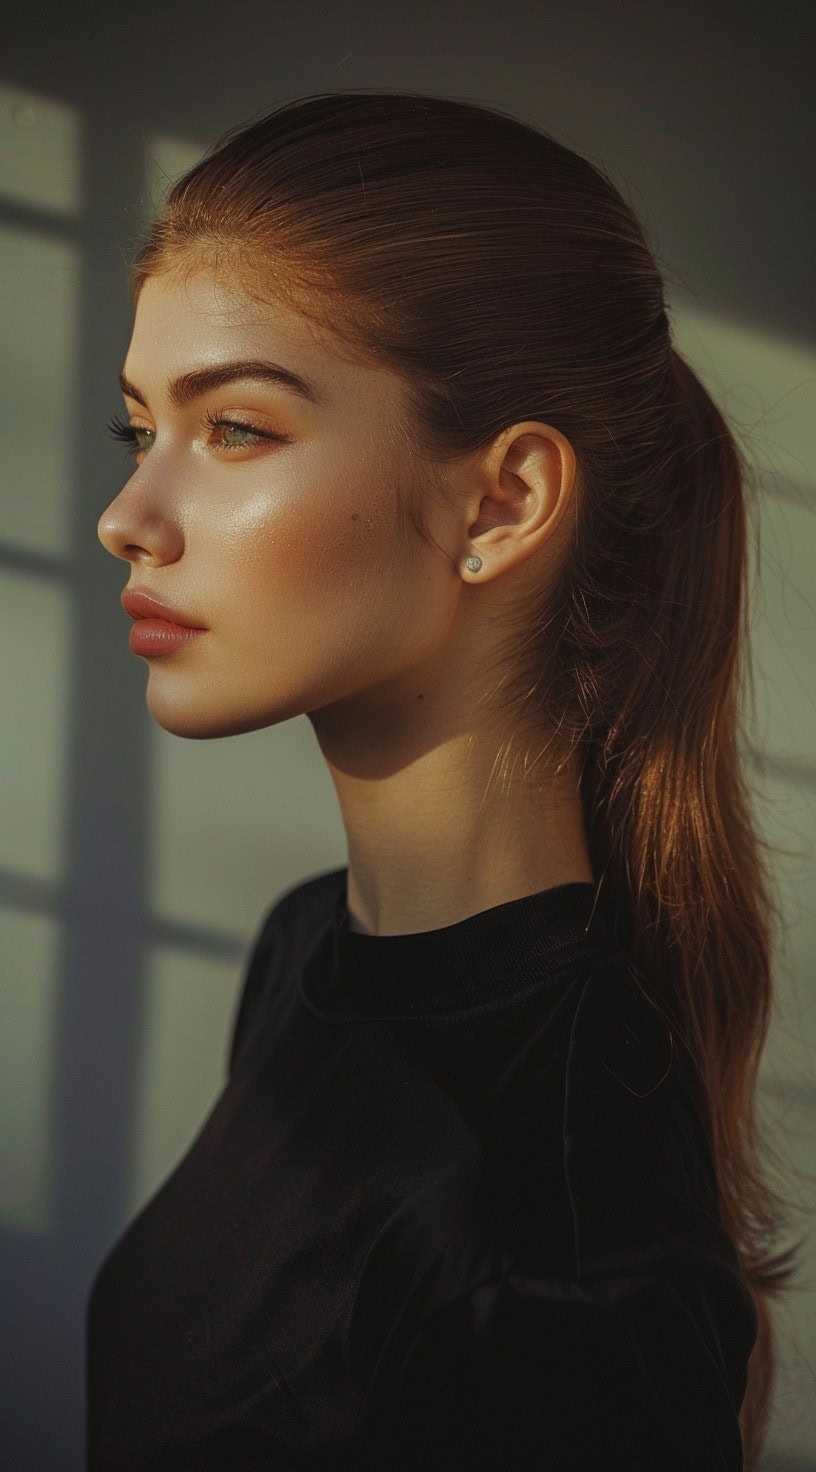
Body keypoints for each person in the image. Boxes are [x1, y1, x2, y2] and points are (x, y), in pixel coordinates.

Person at [89, 89, 801, 1470]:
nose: (130, 516)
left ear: (502, 504)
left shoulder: (560, 1230)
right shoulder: (314, 946)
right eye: (139, 430)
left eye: (234, 428)